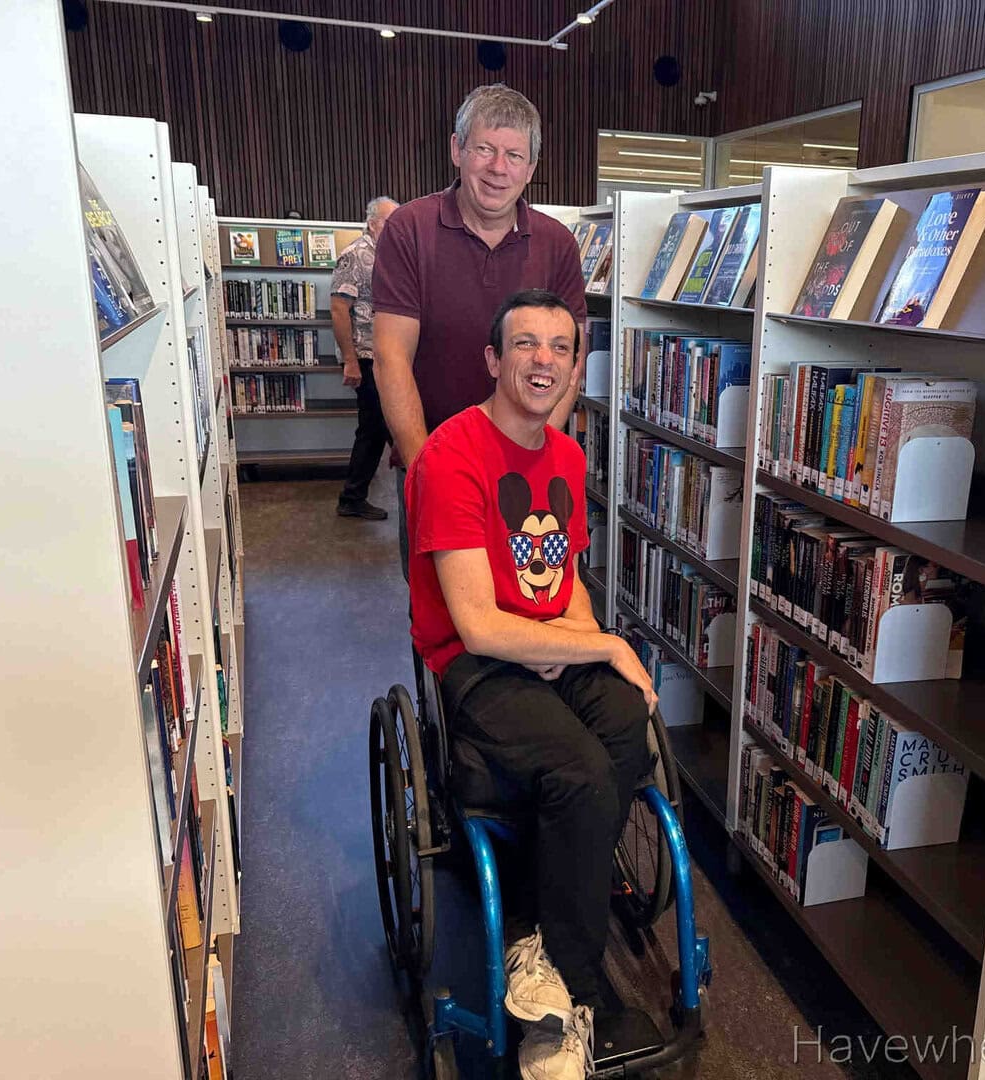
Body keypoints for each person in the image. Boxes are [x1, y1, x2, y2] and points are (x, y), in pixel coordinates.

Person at [406, 290, 657, 1080]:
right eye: (525, 344)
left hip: (546, 643)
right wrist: (599, 642)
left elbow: (567, 579)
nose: (543, 360)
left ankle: (538, 935)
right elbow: (477, 624)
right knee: (580, 771)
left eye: (559, 346)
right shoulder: (451, 455)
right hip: (478, 664)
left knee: (629, 723)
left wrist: (586, 644)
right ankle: (568, 999)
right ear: (493, 359)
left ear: (574, 365)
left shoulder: (568, 456)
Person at [371, 84, 587, 567]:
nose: (498, 168)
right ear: (457, 150)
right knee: (440, 627)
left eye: (515, 155)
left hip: (527, 479)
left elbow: (568, 367)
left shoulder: (557, 245)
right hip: (434, 465)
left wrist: (531, 461)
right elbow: (391, 358)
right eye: (485, 149)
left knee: (532, 603)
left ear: (531, 169)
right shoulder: (409, 229)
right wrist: (428, 471)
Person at [331, 196, 399, 520]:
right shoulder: (355, 256)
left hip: (387, 354)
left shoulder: (391, 256)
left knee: (384, 422)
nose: (395, 228)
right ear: (373, 223)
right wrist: (350, 360)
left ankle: (361, 492)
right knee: (374, 425)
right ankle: (352, 497)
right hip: (366, 355)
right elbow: (338, 308)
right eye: (390, 221)